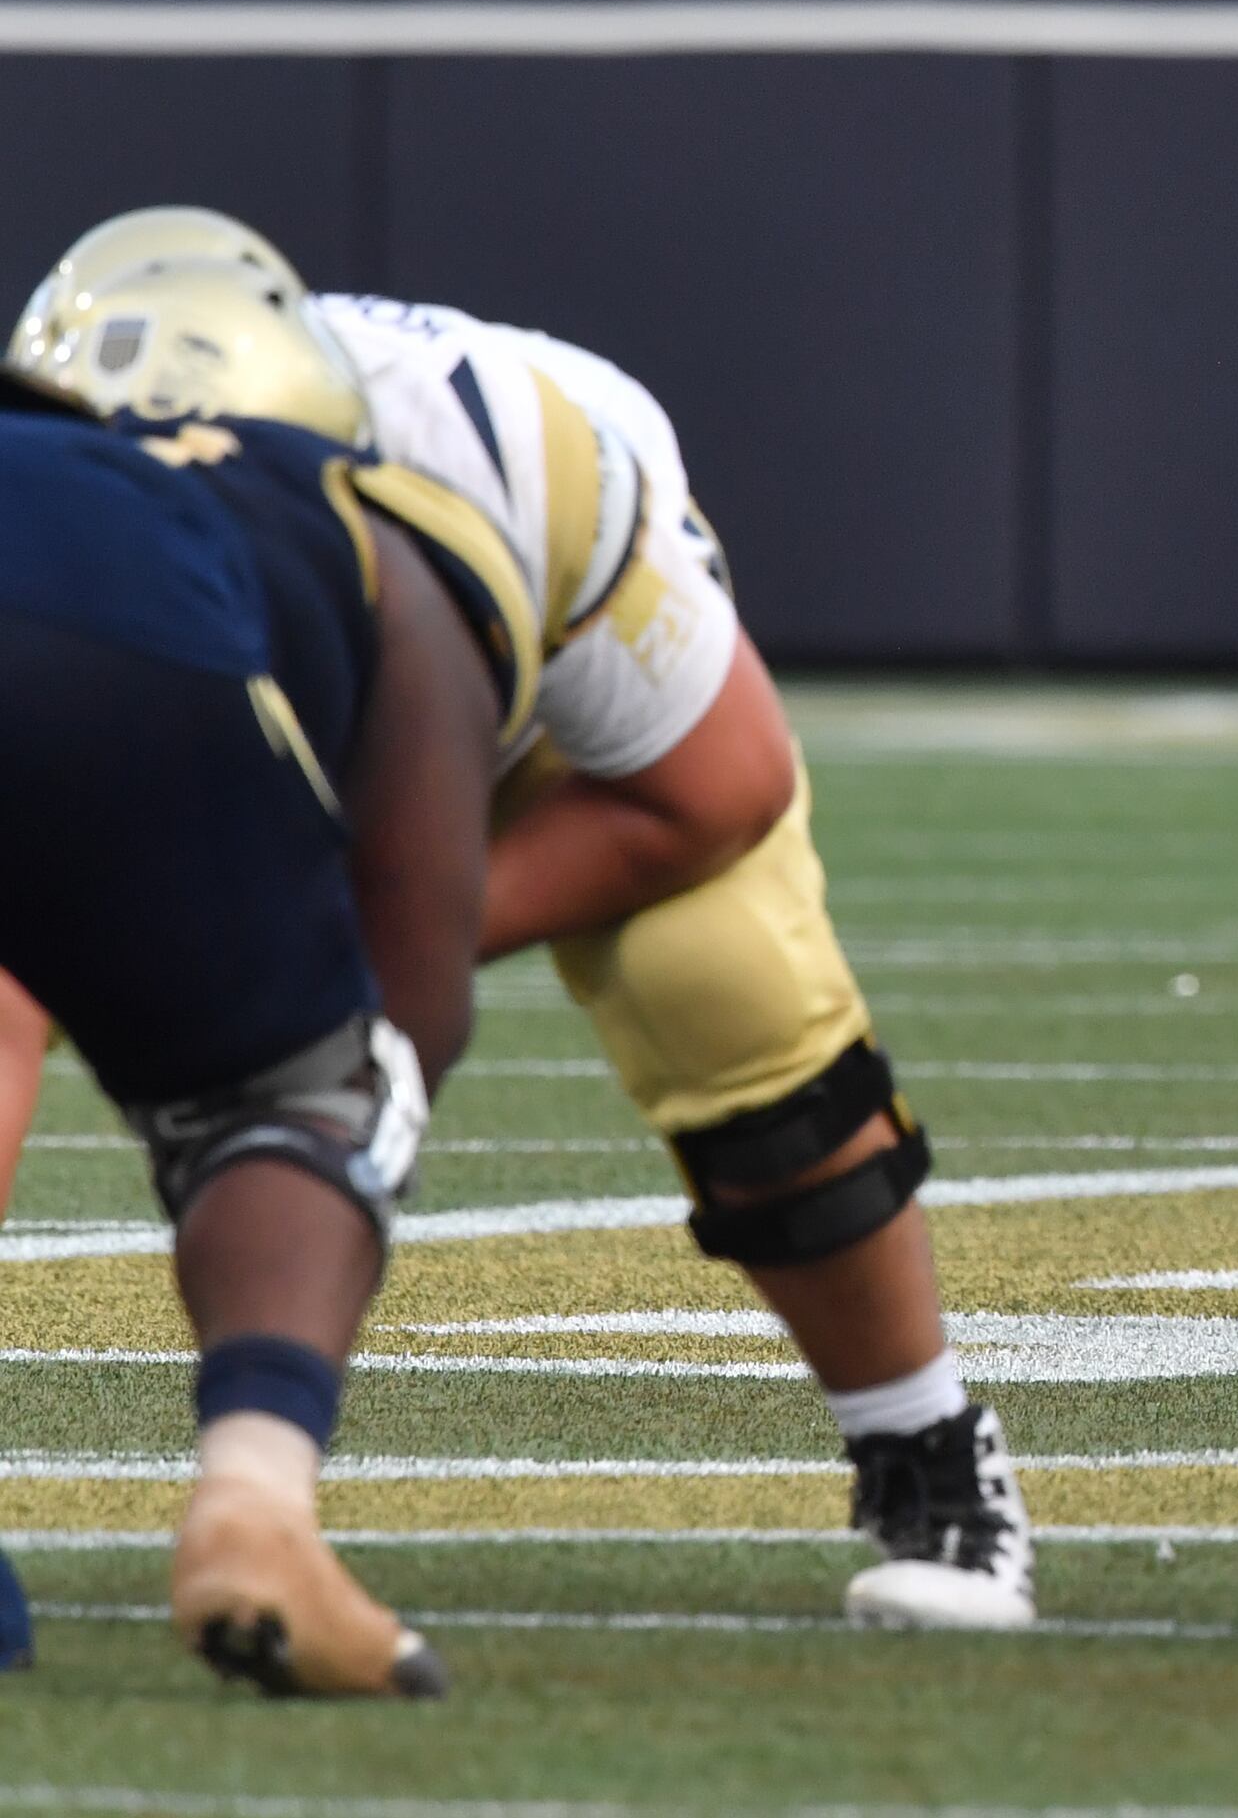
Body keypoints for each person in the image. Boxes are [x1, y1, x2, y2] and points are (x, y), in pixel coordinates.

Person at [5, 209, 1034, 1629]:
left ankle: (930, 1452)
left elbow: (711, 791)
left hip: (531, 722)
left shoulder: (523, 457)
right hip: (195, 719)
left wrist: (309, 968)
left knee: (719, 982)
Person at [0, 269, 538, 1697]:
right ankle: (253, 1505)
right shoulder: (396, 534)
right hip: (134, 643)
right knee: (309, 1092)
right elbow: (410, 1008)